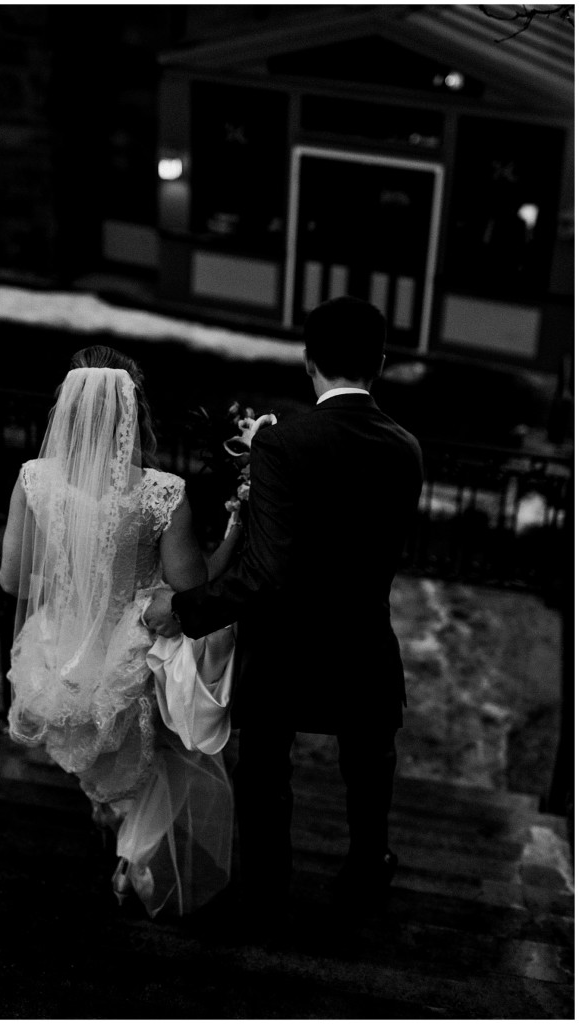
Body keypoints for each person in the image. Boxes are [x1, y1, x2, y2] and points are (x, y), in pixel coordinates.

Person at [146, 295, 424, 928]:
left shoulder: (282, 445)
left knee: (266, 769)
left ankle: (267, 893)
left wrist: (186, 610)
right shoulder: (406, 447)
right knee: (369, 763)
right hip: (363, 641)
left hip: (285, 646)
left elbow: (268, 573)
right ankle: (366, 870)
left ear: (308, 362)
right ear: (380, 362)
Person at [0, 345, 240, 918]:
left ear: (69, 412)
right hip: (128, 652)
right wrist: (238, 527)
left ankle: (115, 834)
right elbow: (191, 588)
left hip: (57, 652)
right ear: (135, 412)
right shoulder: (161, 492)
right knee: (152, 761)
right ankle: (133, 861)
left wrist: (72, 577)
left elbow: (13, 580)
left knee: (103, 762)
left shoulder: (34, 480)